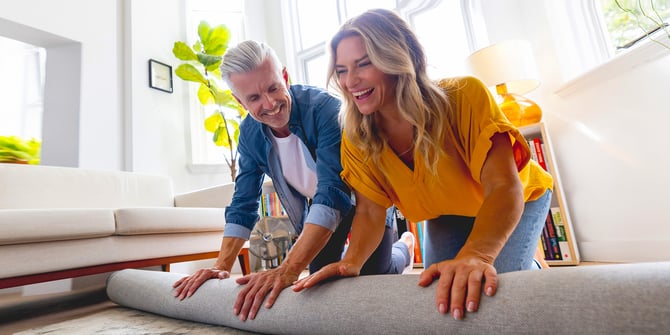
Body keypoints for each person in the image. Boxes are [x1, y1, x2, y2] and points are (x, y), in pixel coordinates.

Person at [292, 8, 554, 321]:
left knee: (484, 298)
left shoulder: (466, 96)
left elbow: (503, 186)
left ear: (397, 58)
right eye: (342, 70)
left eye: (364, 64)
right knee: (441, 300)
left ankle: (531, 267)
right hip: (448, 212)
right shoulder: (357, 135)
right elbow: (371, 210)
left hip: (517, 198)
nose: (351, 81)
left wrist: (476, 255)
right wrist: (353, 260)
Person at [172, 40, 414, 322]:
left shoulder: (324, 109)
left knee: (373, 275)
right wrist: (221, 266)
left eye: (273, 88)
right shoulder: (249, 134)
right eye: (254, 98)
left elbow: (332, 192)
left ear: (285, 77)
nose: (270, 104)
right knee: (321, 283)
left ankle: (404, 248)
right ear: (240, 101)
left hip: (363, 202)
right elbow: (243, 203)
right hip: (321, 212)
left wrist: (288, 268)